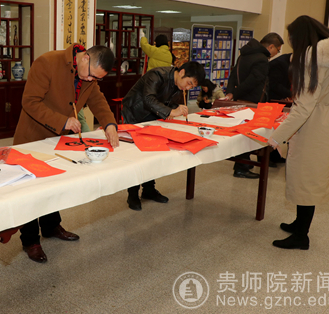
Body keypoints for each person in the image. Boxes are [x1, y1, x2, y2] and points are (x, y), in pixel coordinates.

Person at [14, 43, 120, 263]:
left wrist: (109, 124)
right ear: (85, 58)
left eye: (96, 79)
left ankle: (51, 226)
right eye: (91, 76)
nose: (91, 80)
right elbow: (30, 102)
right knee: (31, 189)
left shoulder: (88, 76)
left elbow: (97, 100)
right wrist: (62, 121)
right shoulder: (47, 63)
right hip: (32, 137)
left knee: (54, 183)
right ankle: (30, 240)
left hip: (58, 140)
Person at [268, 15, 329, 250]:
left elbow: (304, 106)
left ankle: (301, 236)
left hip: (314, 124)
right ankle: (299, 224)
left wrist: (277, 136)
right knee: (311, 175)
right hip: (327, 120)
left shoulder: (313, 60)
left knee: (306, 178)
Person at [122, 61, 205, 210]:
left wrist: (177, 107)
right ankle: (132, 194)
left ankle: (149, 189)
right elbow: (149, 99)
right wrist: (171, 111)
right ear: (182, 72)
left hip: (152, 116)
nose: (188, 88)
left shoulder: (178, 85)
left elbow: (166, 102)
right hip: (135, 114)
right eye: (189, 83)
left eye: (192, 87)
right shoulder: (157, 75)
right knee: (137, 156)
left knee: (153, 153)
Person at [223, 32, 284, 178]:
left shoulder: (244, 54)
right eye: (278, 49)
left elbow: (233, 75)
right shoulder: (262, 59)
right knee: (249, 135)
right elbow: (253, 81)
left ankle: (244, 164)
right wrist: (235, 94)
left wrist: (231, 93)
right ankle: (241, 168)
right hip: (253, 103)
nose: (277, 53)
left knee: (243, 133)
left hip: (241, 101)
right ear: (271, 46)